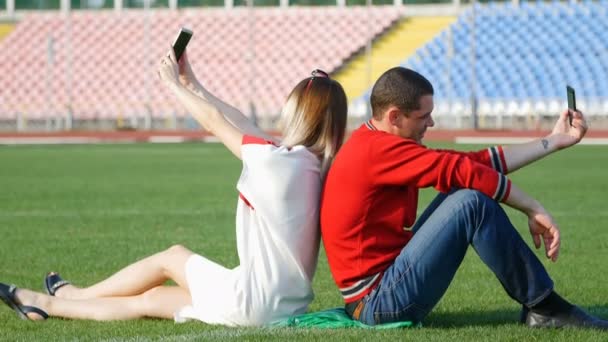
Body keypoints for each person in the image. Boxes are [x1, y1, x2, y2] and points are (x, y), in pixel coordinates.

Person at [0, 49, 347, 326]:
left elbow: (217, 124)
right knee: (150, 301)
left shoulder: (276, 161)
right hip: (284, 304)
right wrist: (193, 83)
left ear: (297, 113)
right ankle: (45, 305)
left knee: (172, 257)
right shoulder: (307, 164)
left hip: (253, 301)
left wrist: (173, 86)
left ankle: (76, 295)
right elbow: (242, 120)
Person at [320, 66, 608, 329]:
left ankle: (542, 306)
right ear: (394, 116)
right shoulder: (377, 151)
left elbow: (473, 163)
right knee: (472, 203)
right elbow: (466, 171)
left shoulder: (377, 143)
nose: (431, 123)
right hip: (377, 303)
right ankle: (545, 307)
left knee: (464, 190)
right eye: (423, 116)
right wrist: (532, 207)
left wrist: (553, 141)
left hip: (380, 290)